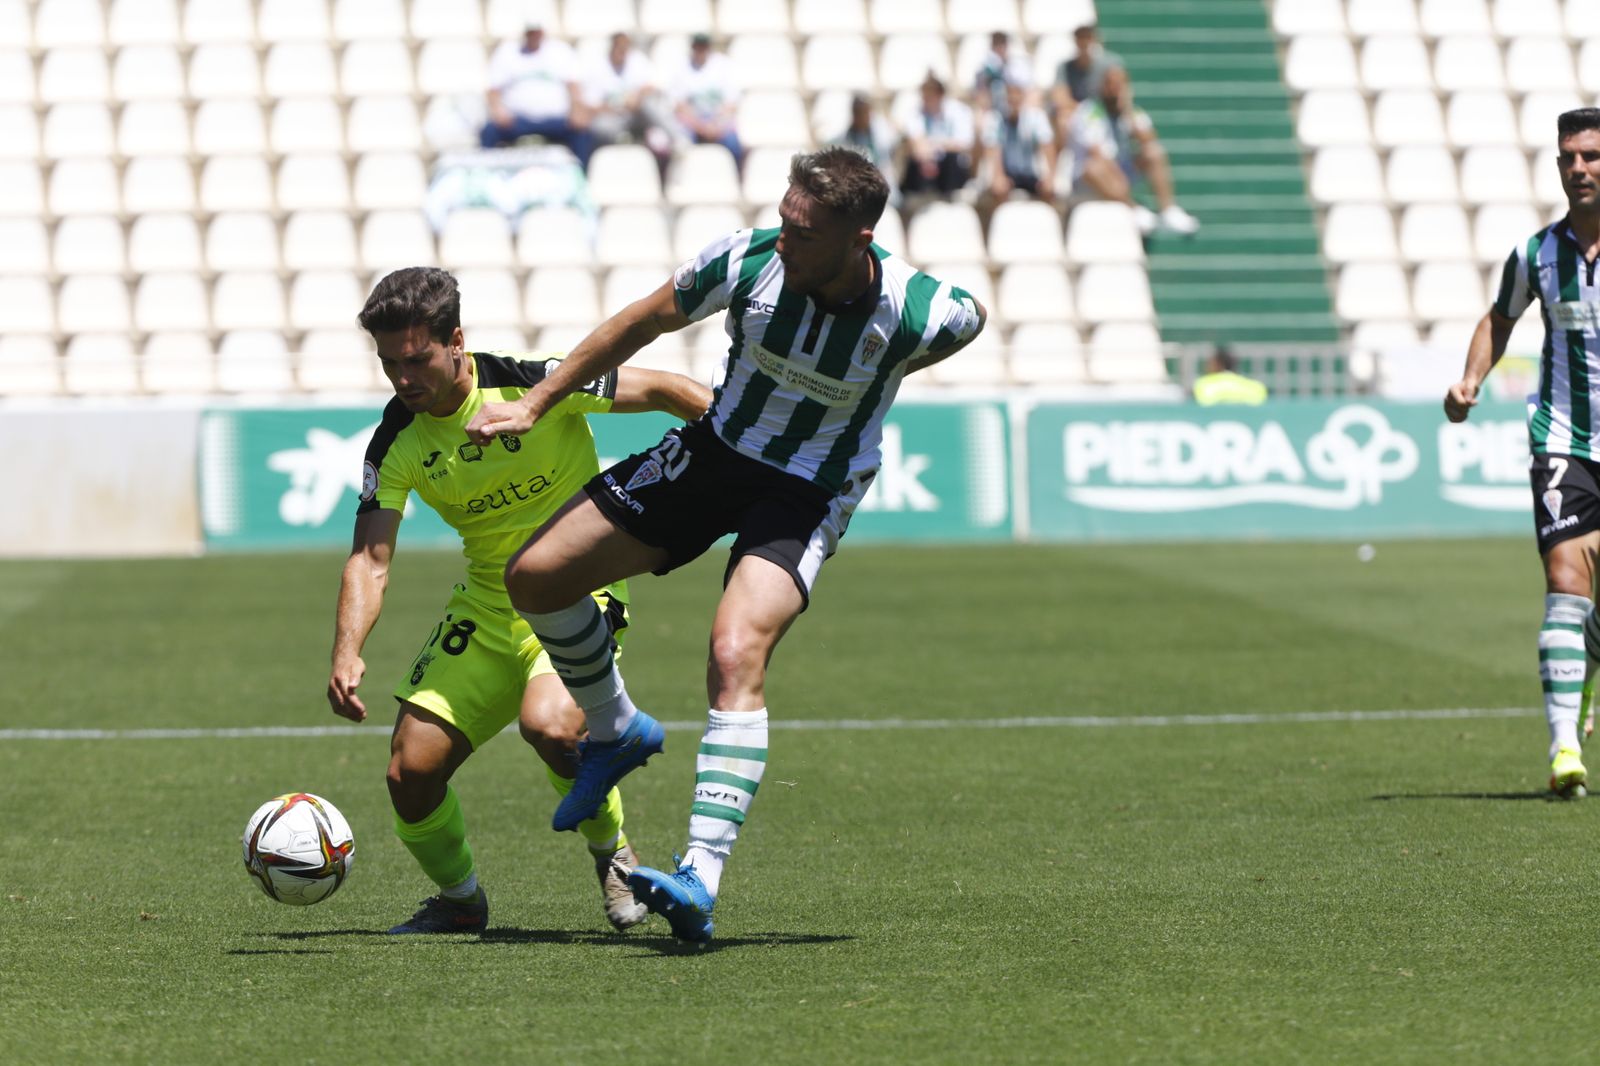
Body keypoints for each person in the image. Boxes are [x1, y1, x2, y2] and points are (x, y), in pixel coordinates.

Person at [463, 147, 988, 942]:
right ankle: (616, 730)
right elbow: (640, 321)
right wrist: (538, 402)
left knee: (735, 652)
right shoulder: (745, 261)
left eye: (805, 233)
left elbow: (965, 322)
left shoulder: (921, 310)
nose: (784, 239)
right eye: (783, 219)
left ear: (860, 239)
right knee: (535, 576)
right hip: (716, 452)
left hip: (807, 488)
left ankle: (698, 876)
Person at [327, 267, 712, 933]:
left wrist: (746, 451)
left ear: (456, 341)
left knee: (553, 726)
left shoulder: (538, 383)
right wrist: (347, 649)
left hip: (577, 587)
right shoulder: (397, 440)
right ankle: (459, 902)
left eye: (416, 360)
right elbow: (371, 557)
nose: (403, 379)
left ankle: (613, 858)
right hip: (485, 609)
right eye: (389, 364)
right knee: (408, 775)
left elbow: (666, 389)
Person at [1444, 106, 1600, 799]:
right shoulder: (1537, 253)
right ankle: (1564, 746)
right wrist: (1472, 377)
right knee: (1567, 580)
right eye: (1568, 157)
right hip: (1563, 440)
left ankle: (1583, 678)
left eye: (1591, 156)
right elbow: (1499, 317)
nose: (1578, 169)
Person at [1067, 64, 1199, 236]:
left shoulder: (1132, 112)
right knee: (1094, 167)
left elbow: (1149, 142)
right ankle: (1132, 208)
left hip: (1121, 171)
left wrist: (1127, 112)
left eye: (1119, 84)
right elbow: (1097, 155)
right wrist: (1122, 182)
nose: (1114, 89)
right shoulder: (1089, 112)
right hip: (1092, 179)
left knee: (1154, 153)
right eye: (1110, 84)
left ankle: (1168, 210)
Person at [479, 10, 595, 168]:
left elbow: (574, 86)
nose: (533, 35)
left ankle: (581, 176)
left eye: (536, 31)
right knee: (489, 130)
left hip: (556, 120)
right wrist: (498, 110)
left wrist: (577, 111)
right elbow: (493, 89)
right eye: (530, 31)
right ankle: (487, 176)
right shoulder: (507, 52)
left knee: (581, 132)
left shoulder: (560, 51)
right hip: (517, 120)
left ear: (543, 31)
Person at [581, 31, 674, 171]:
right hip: (611, 117)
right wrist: (621, 104)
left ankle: (677, 140)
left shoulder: (637, 60)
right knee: (599, 127)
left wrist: (638, 96)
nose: (623, 52)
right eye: (619, 47)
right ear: (612, 47)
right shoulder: (597, 67)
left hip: (636, 115)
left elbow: (656, 84)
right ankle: (615, 163)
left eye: (626, 48)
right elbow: (592, 105)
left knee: (650, 107)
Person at [668, 32, 742, 167]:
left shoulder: (723, 65)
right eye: (697, 46)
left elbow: (731, 104)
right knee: (681, 143)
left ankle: (737, 177)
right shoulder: (681, 67)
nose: (700, 50)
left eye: (703, 46)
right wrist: (700, 126)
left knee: (733, 143)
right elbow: (680, 106)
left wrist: (716, 125)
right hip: (692, 122)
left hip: (718, 121)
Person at [897, 74, 976, 199]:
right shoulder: (916, 112)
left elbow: (964, 143)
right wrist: (929, 153)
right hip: (927, 162)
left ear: (940, 95)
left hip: (951, 165)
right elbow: (916, 141)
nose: (925, 99)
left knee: (951, 159)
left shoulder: (959, 110)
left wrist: (937, 146)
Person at [981, 81, 1056, 202]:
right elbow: (993, 149)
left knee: (1049, 191)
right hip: (1008, 174)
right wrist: (998, 176)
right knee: (998, 188)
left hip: (1032, 174)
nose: (1013, 99)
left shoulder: (1036, 116)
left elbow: (1047, 145)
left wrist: (1050, 177)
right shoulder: (995, 118)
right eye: (1010, 95)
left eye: (1017, 95)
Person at [830, 93, 899, 201]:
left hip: (882, 186)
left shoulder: (882, 133)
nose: (862, 116)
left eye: (865, 112)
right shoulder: (843, 139)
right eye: (858, 112)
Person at [973, 31, 1033, 115]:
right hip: (993, 114)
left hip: (1015, 115)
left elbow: (1027, 93)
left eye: (1002, 44)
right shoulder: (984, 70)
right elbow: (980, 96)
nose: (999, 48)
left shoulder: (1018, 68)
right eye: (995, 44)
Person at [1193, 346, 1267, 405]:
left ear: (1218, 364)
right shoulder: (1256, 387)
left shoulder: (1202, 384)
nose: (1207, 366)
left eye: (1210, 363)